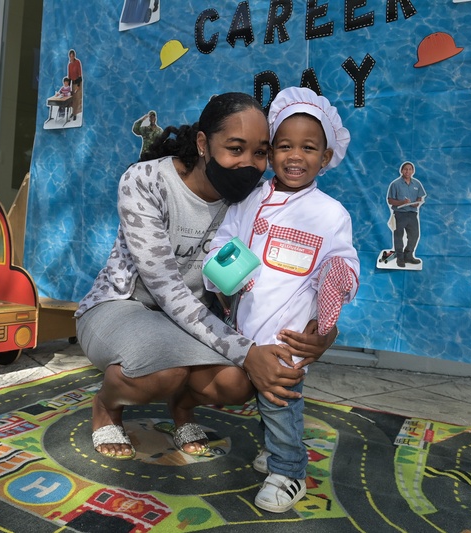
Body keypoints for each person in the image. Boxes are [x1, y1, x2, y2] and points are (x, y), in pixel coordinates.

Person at [74, 92, 338, 461]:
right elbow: (165, 288)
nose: (248, 164)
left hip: (194, 319)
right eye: (235, 148)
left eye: (260, 152)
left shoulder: (256, 199)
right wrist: (246, 352)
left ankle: (181, 408)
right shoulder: (147, 180)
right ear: (203, 144)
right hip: (122, 306)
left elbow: (295, 271)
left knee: (238, 384)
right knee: (164, 371)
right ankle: (106, 406)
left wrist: (324, 330)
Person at [204, 87, 359, 513]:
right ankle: (275, 448)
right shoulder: (250, 200)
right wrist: (222, 267)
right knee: (262, 400)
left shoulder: (330, 214)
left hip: (289, 332)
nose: (295, 156)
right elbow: (225, 236)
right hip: (246, 321)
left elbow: (346, 258)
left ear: (325, 158)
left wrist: (338, 279)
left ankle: (289, 471)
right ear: (270, 153)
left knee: (279, 400)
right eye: (285, 146)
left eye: (308, 148)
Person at [387, 161, 426, 268]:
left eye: (410, 169)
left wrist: (417, 203)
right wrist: (402, 202)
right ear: (401, 170)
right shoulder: (395, 184)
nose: (407, 171)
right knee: (398, 236)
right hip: (399, 214)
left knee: (414, 235)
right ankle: (400, 258)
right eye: (405, 169)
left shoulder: (417, 184)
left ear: (413, 171)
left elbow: (420, 197)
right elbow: (390, 200)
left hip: (412, 214)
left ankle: (408, 256)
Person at [67, 49, 83, 121]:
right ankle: (73, 112)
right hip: (73, 83)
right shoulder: (69, 65)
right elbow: (69, 76)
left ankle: (75, 114)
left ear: (74, 56)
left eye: (72, 56)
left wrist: (78, 86)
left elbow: (80, 74)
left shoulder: (77, 62)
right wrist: (68, 87)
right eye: (70, 56)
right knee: (73, 98)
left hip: (78, 82)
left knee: (77, 99)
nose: (71, 57)